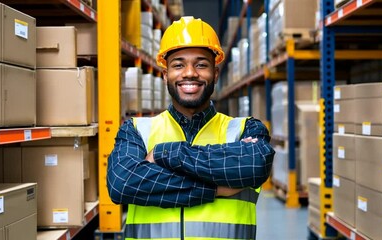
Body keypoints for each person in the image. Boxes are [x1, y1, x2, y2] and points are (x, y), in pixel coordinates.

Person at [107, 16, 275, 240]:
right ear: (166, 74)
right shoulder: (137, 130)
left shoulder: (245, 129)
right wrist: (214, 189)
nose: (189, 73)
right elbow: (122, 183)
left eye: (201, 65)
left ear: (215, 74)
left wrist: (164, 153)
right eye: (178, 64)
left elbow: (254, 165)